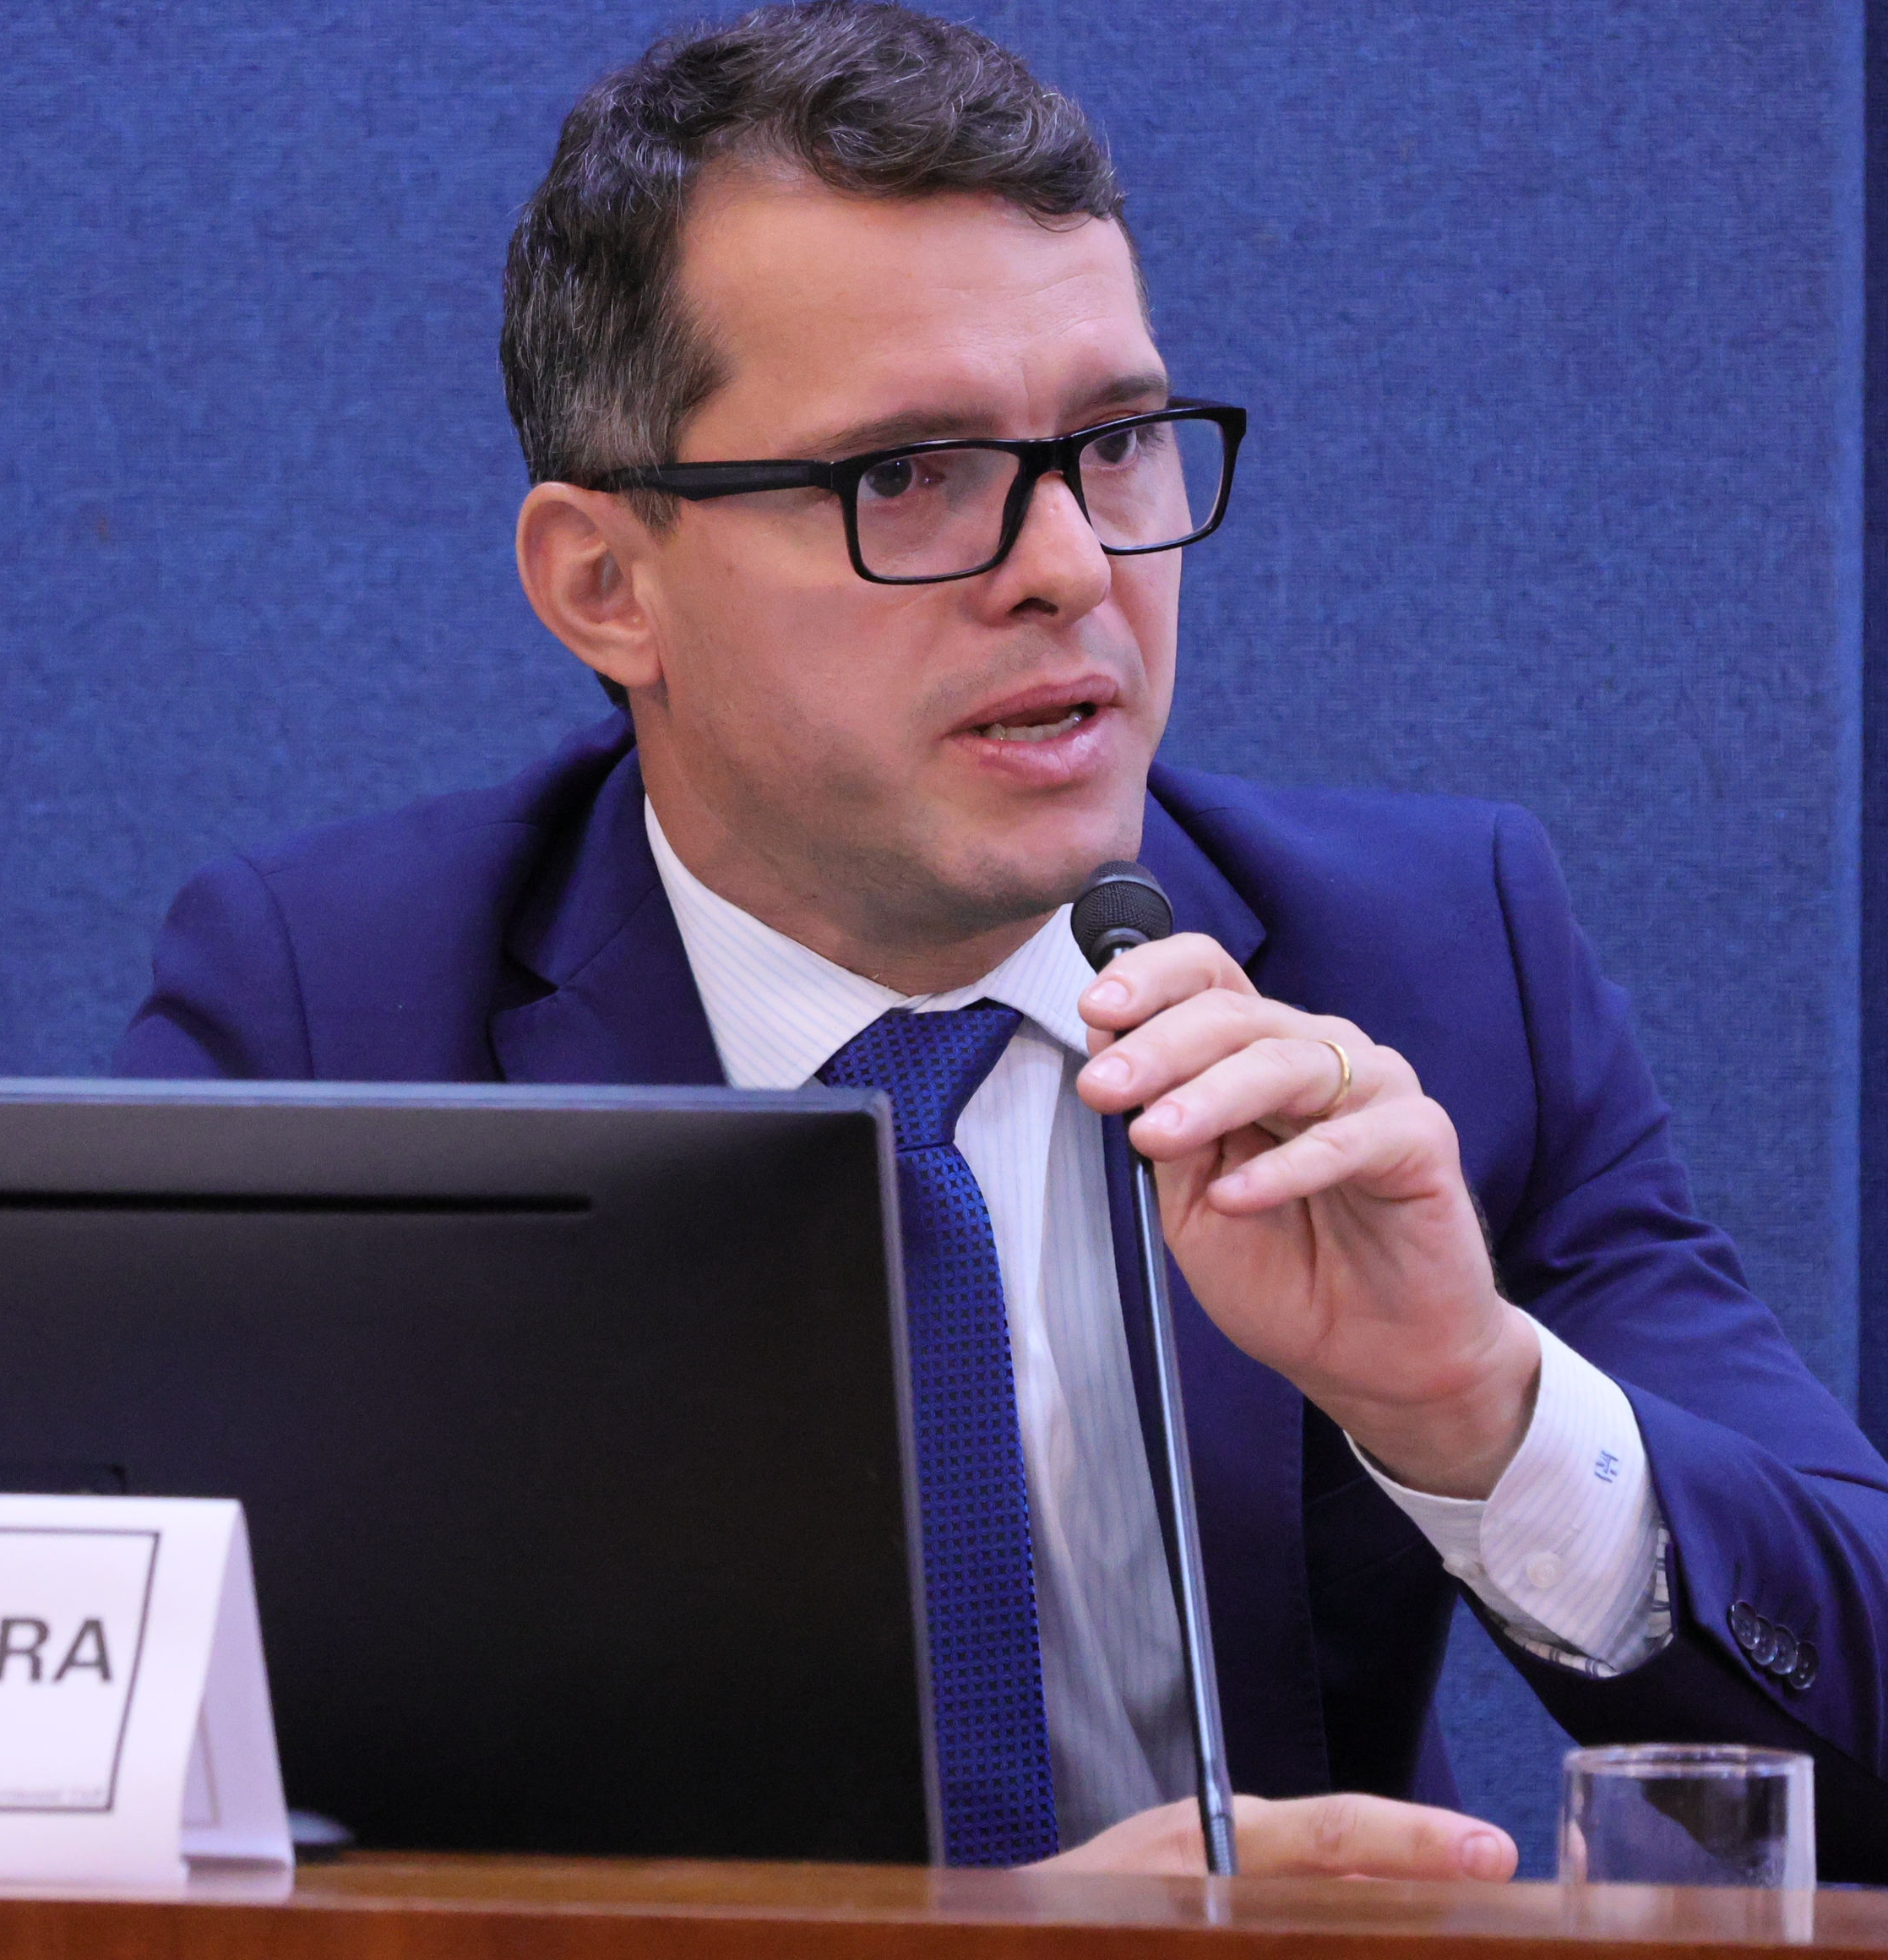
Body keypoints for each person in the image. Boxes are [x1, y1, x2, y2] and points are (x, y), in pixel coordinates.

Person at [115, 1, 1887, 1879]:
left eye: (1114, 445)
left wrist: (1468, 1405)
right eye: (906, 474)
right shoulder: (336, 1018)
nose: (1071, 566)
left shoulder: (1428, 964)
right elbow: (103, 1809)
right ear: (606, 581)